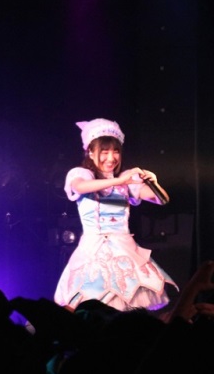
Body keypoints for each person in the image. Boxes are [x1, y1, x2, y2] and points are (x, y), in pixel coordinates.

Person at [53, 118, 176, 312]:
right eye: (104, 151)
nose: (111, 158)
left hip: (124, 252)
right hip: (93, 253)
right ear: (90, 152)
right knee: (90, 306)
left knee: (128, 308)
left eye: (116, 151)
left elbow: (162, 200)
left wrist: (154, 182)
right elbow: (81, 187)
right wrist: (120, 181)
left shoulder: (126, 181)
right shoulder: (82, 174)